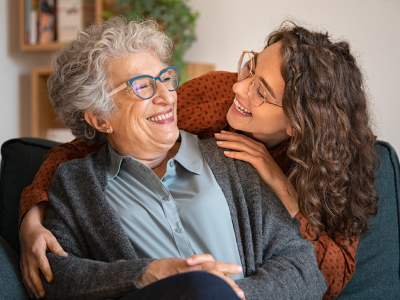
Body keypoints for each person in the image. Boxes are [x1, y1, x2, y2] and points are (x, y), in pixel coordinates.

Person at [19, 21, 377, 300]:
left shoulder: (240, 163)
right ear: (100, 117)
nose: (167, 96)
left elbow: (312, 272)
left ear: (297, 125)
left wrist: (229, 294)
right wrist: (31, 219)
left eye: (166, 80)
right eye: (143, 86)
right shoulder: (78, 182)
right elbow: (58, 275)